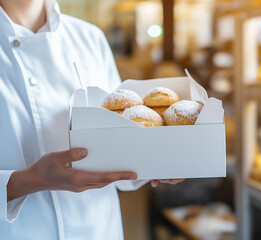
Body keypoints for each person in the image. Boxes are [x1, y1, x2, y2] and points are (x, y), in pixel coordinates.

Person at [0, 0, 183, 239]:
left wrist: (153, 160)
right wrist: (23, 182)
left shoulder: (90, 38)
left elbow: (118, 141)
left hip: (98, 228)